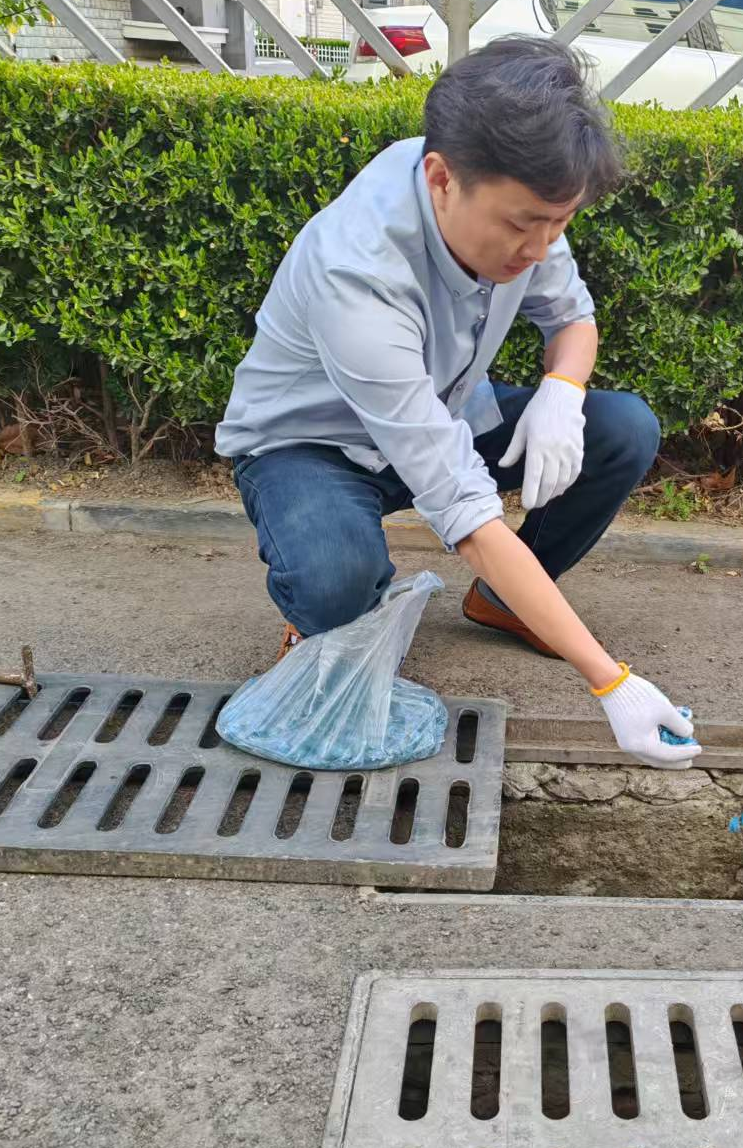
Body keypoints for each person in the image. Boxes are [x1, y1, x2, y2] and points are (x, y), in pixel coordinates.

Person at [215, 37, 698, 770]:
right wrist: (610, 680)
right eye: (522, 225)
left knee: (622, 428)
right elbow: (464, 513)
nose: (539, 248)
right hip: (311, 443)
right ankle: (319, 629)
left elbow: (573, 319)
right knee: (337, 577)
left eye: (560, 223)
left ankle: (507, 602)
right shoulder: (359, 272)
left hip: (442, 408)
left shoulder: (519, 198)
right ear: (441, 179)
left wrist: (563, 391)